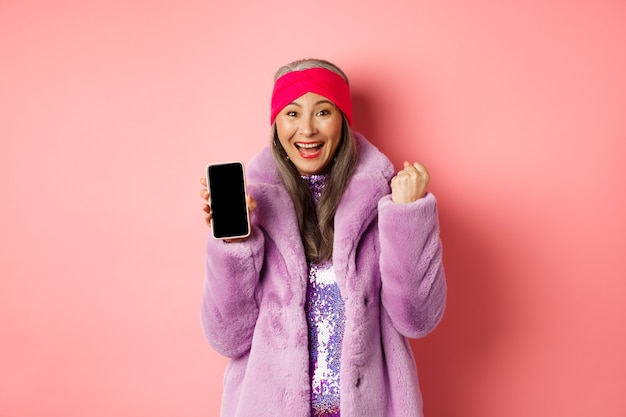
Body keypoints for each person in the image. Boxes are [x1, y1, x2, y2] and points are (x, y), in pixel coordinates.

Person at [199, 58, 446, 417]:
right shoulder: (253, 209)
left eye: (323, 112)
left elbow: (418, 320)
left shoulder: (384, 203)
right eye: (292, 113)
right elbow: (227, 337)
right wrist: (236, 247)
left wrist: (409, 217)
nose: (308, 129)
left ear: (343, 122)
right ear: (277, 125)